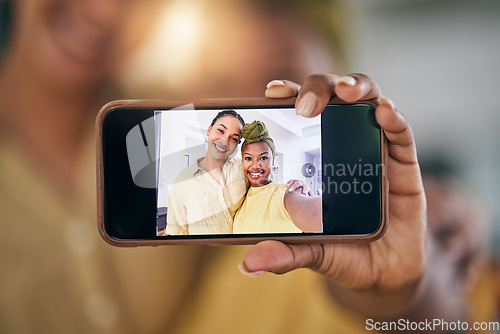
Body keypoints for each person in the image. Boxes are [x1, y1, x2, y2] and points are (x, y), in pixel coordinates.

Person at [0, 0, 430, 332]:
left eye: (276, 76)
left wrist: (403, 295)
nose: (104, 8)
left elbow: (454, 299)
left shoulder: (281, 221)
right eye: (220, 86)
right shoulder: (165, 143)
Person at [165, 110, 310, 235]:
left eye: (233, 138)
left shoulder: (242, 169)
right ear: (209, 130)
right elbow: (176, 233)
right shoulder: (181, 181)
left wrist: (297, 188)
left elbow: (265, 191)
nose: (224, 141)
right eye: (220, 131)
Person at [233, 120, 322, 234]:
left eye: (263, 158)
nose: (255, 166)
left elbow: (313, 212)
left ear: (273, 162)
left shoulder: (287, 192)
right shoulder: (241, 197)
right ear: (242, 162)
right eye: (248, 158)